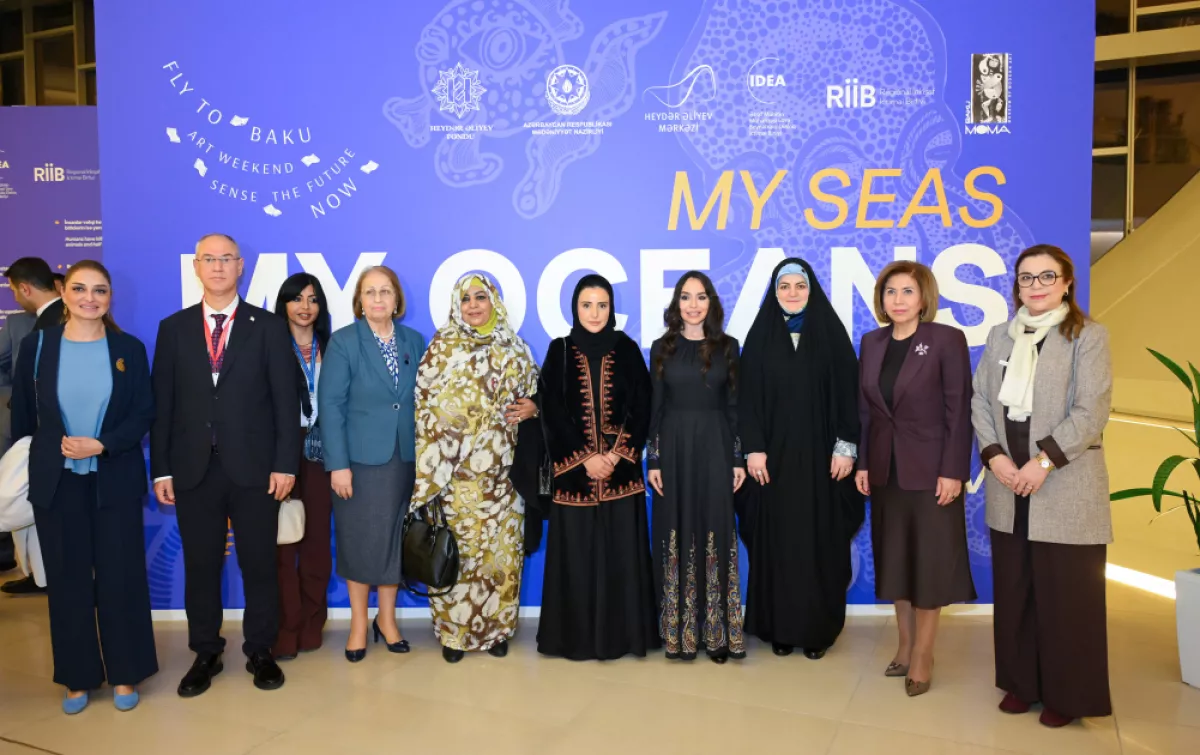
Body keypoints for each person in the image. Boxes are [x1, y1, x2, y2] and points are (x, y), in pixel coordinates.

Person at [151, 233, 300, 697]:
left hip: (256, 469)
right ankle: (205, 652)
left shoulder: (268, 326)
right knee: (200, 567)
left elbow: (285, 401)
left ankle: (260, 650)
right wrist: (162, 469)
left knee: (259, 565)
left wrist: (285, 464)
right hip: (193, 470)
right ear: (196, 266)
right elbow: (163, 405)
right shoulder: (173, 328)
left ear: (241, 267)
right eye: (209, 259)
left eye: (226, 259)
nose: (217, 267)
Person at [972, 244, 1113, 727]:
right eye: (1026, 277)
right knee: (1016, 592)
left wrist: (1041, 463)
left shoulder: (1088, 336)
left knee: (1067, 597)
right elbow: (980, 401)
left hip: (1064, 485)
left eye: (1046, 276)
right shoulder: (1000, 335)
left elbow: (1091, 411)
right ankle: (1021, 683)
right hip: (1007, 483)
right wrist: (994, 456)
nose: (1036, 286)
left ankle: (1066, 696)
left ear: (1067, 283)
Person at [10, 260, 157, 713]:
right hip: (57, 483)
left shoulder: (128, 348)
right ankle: (77, 678)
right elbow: (24, 417)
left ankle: (126, 673)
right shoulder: (38, 345)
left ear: (110, 297)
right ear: (64, 292)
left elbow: (144, 412)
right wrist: (52, 449)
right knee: (67, 581)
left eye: (99, 290)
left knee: (121, 577)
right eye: (79, 288)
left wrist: (103, 444)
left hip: (114, 479)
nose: (89, 298)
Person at [855, 261, 976, 697]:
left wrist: (953, 470)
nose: (898, 300)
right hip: (885, 472)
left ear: (924, 297)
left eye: (908, 291)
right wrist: (864, 463)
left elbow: (958, 410)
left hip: (931, 474)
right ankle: (904, 646)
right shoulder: (872, 343)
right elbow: (865, 412)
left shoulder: (945, 340)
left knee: (928, 565)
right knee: (896, 561)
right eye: (890, 291)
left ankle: (924, 654)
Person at [411, 273, 539, 663]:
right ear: (456, 305)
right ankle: (454, 635)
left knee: (501, 557)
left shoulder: (515, 348)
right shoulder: (441, 348)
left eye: (480, 297)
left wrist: (534, 408)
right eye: (465, 299)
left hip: (504, 478)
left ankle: (496, 631)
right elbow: (424, 405)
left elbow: (534, 396)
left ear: (494, 301)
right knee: (459, 556)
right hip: (455, 477)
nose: (473, 305)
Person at [740, 258, 864, 659]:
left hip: (822, 464)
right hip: (772, 465)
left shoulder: (830, 335)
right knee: (778, 544)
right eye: (784, 286)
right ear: (774, 292)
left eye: (800, 286)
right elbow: (746, 400)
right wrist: (753, 449)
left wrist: (845, 448)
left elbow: (849, 394)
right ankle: (779, 628)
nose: (792, 293)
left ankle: (816, 631)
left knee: (819, 544)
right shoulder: (760, 338)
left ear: (812, 290)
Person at [537, 274, 657, 661]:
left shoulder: (627, 349)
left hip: (621, 475)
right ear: (575, 308)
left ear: (611, 308)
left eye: (602, 305)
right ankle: (574, 640)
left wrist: (616, 455)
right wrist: (586, 457)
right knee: (577, 560)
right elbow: (551, 411)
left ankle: (623, 638)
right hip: (575, 477)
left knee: (621, 558)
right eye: (586, 305)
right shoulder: (559, 350)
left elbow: (642, 405)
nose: (594, 313)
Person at [319, 266, 424, 662]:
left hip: (404, 460)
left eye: (385, 291)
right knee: (360, 542)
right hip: (358, 463)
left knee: (394, 542)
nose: (378, 299)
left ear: (397, 299)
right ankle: (359, 625)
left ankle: (388, 620)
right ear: (359, 301)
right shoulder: (345, 342)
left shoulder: (414, 340)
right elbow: (330, 406)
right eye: (370, 292)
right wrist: (338, 465)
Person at [647, 271, 746, 663]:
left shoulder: (729, 347)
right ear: (676, 303)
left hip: (716, 448)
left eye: (701, 297)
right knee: (675, 530)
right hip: (673, 448)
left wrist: (737, 458)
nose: (693, 305)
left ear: (711, 303)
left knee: (715, 531)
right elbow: (656, 408)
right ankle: (678, 634)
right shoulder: (661, 348)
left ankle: (717, 635)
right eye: (686, 297)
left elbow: (735, 407)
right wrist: (653, 458)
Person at [271, 273, 334, 660]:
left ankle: (312, 621)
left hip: (323, 450)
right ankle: (286, 625)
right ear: (284, 305)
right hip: (282, 450)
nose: (305, 307)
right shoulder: (269, 345)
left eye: (312, 299)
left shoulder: (333, 346)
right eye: (296, 299)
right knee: (282, 545)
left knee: (316, 545)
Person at [0, 256, 62, 594]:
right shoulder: (39, 321)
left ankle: (48, 577)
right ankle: (41, 576)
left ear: (24, 288)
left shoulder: (56, 321)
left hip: (47, 434)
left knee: (44, 507)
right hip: (40, 433)